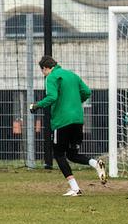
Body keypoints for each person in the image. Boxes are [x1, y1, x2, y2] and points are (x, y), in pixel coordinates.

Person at [29, 56, 106, 196]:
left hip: (62, 121)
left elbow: (52, 97)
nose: (44, 75)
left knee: (58, 154)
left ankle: (75, 188)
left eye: (43, 72)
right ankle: (96, 164)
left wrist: (36, 106)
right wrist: (75, 103)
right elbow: (87, 92)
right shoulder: (72, 75)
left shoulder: (52, 77)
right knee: (72, 154)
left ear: (46, 68)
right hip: (77, 120)